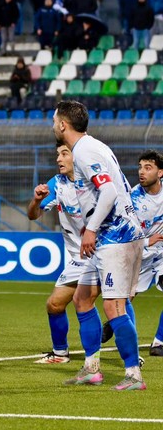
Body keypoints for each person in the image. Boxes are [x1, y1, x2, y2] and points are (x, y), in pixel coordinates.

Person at [52, 100, 145, 391]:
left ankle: (133, 375)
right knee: (82, 299)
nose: (53, 125)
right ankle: (92, 369)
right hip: (110, 235)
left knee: (114, 306)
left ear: (63, 124)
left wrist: (90, 230)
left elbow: (108, 192)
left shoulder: (85, 151)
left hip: (115, 237)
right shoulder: (91, 146)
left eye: (54, 120)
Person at [27, 143, 85, 364]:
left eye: (64, 154)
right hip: (79, 259)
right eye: (57, 155)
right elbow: (33, 215)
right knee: (55, 304)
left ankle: (130, 358)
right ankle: (60, 354)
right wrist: (37, 200)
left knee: (114, 305)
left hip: (104, 252)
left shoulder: (93, 181)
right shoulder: (57, 183)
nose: (59, 159)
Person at [126, 150, 163, 358]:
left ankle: (159, 342)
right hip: (141, 254)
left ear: (160, 173)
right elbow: (125, 232)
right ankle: (114, 325)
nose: (142, 172)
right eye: (140, 167)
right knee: (124, 300)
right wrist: (147, 241)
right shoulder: (133, 199)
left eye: (148, 168)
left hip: (162, 255)